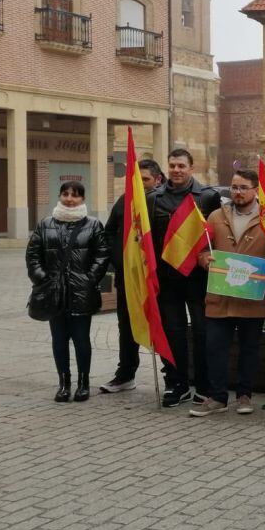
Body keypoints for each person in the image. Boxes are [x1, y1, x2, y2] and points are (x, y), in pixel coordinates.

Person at [189, 170, 265, 417]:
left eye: (243, 187)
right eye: (234, 187)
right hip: (220, 296)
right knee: (215, 347)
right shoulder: (216, 216)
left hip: (252, 296)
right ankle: (217, 397)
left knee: (250, 349)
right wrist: (205, 260)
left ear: (256, 190)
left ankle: (244, 395)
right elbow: (200, 251)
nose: (237, 192)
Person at [150, 149, 222, 407]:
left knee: (203, 332)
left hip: (198, 279)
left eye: (181, 165)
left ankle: (203, 384)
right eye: (172, 165)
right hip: (167, 279)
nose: (177, 170)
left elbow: (217, 235)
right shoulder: (155, 198)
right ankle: (176, 383)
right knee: (173, 333)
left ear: (191, 168)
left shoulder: (208, 197)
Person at [25, 181, 109, 402]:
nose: (70, 199)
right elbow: (33, 255)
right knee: (59, 340)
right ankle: (63, 384)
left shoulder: (93, 225)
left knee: (81, 340)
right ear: (59, 196)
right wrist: (43, 278)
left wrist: (89, 279)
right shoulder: (45, 224)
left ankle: (83, 383)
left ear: (83, 199)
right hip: (54, 294)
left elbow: (102, 256)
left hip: (82, 293)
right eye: (65, 194)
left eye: (75, 195)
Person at [99, 158, 163, 393]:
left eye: (145, 179)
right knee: (127, 326)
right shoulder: (124, 200)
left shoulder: (164, 201)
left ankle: (175, 380)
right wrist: (117, 260)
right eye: (136, 179)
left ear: (157, 179)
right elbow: (108, 233)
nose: (140, 183)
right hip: (129, 277)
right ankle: (125, 374)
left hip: (159, 279)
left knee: (164, 326)